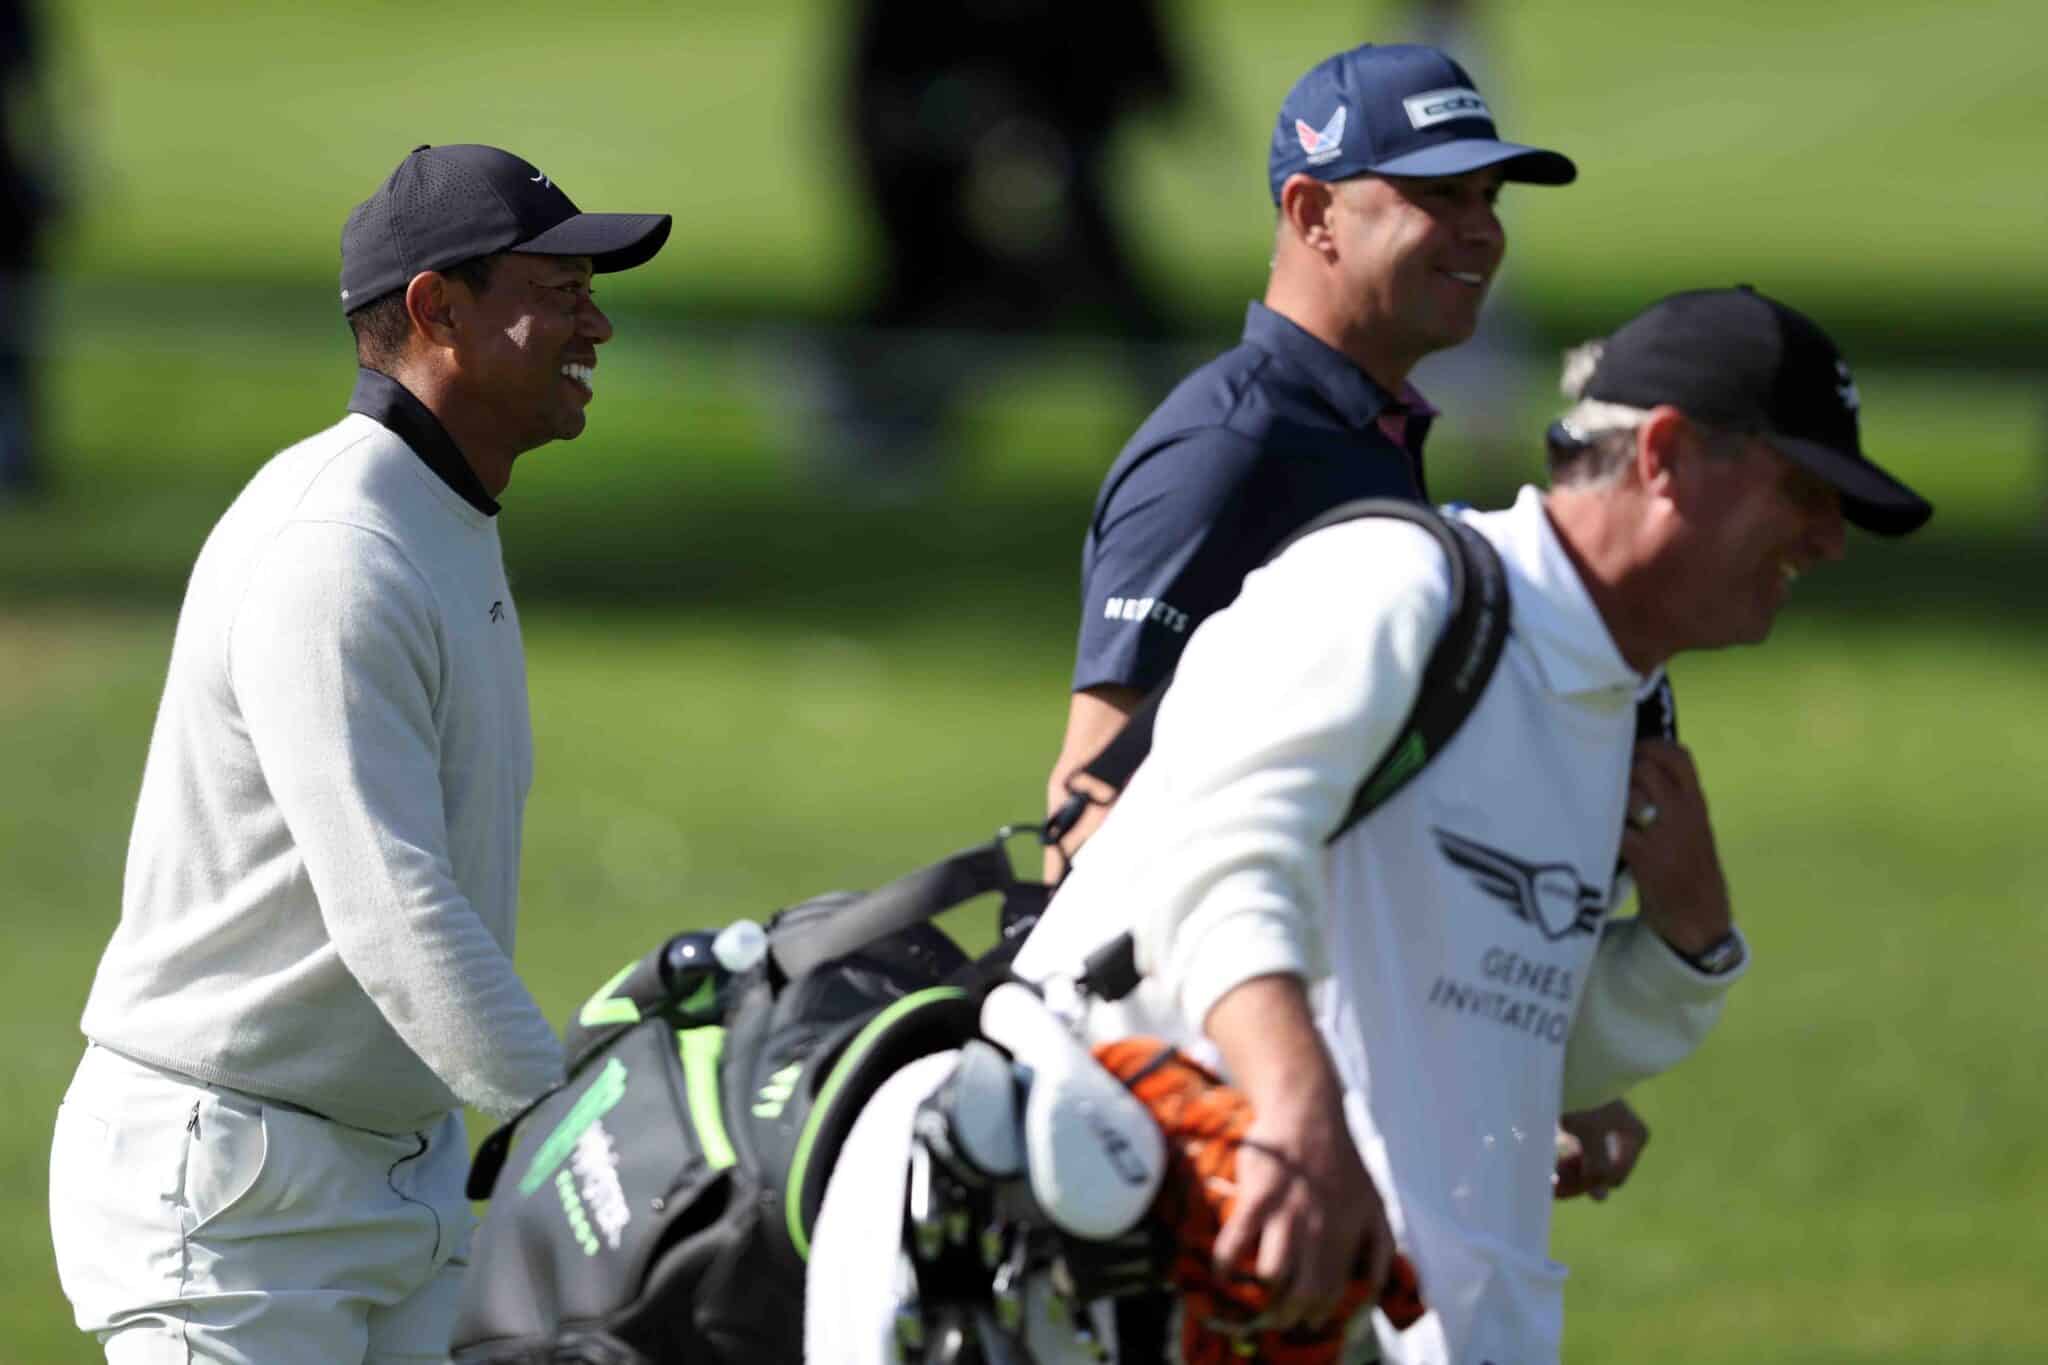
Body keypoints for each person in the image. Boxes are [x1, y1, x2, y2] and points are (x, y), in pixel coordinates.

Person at [1016, 286, 1933, 1362]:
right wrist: (1297, 1110)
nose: (1827, 541)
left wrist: (1686, 950)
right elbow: (1216, 858)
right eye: (1803, 492)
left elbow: (1493, 1039)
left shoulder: (1611, 701)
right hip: (1133, 1289)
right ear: (1665, 456)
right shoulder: (1395, 587)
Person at [47, 144, 671, 1362]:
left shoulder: (436, 513)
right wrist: (582, 1133)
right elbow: (394, 911)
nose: (595, 324)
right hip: (235, 1205)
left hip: (394, 1178)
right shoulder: (338, 548)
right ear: (438, 309)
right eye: (558, 294)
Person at [1040, 38, 1647, 1249]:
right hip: (1224, 1117)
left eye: (1488, 197)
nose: (1480, 231)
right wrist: (1261, 1103)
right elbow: (1088, 814)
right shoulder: (1230, 451)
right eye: (1435, 197)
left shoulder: (1361, 437)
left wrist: (1499, 1071)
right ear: (1311, 213)